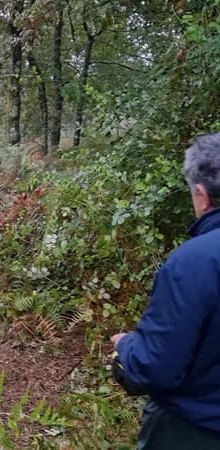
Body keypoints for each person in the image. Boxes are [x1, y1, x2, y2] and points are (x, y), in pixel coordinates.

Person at [112, 132, 220, 449]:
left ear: (201, 196)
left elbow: (156, 368)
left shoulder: (195, 262)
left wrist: (127, 347)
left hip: (194, 430)